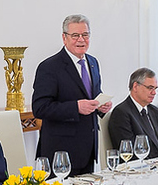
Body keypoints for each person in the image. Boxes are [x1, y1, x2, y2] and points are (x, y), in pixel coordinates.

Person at [31, 14, 113, 176]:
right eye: (75, 35)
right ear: (64, 38)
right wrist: (75, 107)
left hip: (89, 149)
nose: (81, 39)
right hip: (61, 152)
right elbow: (40, 108)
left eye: (85, 35)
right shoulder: (49, 67)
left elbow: (93, 96)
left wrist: (101, 107)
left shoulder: (93, 62)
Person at [107, 68, 158, 158]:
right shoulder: (121, 113)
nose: (154, 92)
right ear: (135, 86)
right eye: (150, 88)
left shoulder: (155, 111)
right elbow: (129, 152)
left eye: (155, 88)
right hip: (140, 168)